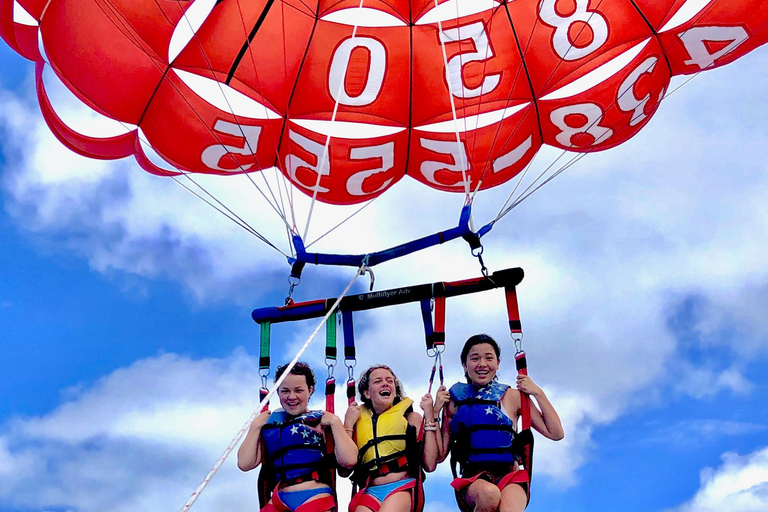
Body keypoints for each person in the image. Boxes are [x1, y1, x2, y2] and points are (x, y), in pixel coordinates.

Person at [434, 334, 564, 512]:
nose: (482, 364)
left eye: (489, 358)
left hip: (510, 476)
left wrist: (537, 393)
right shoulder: (453, 401)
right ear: (464, 365)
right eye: (475, 358)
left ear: (498, 363)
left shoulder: (513, 396)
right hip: (473, 481)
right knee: (489, 494)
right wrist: (434, 412)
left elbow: (556, 433)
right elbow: (440, 455)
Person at [238, 362, 358, 512]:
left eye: (298, 390)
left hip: (314, 497)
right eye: (285, 391)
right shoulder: (269, 423)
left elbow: (349, 461)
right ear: (278, 392)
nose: (291, 397)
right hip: (278, 501)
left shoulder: (322, 420)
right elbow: (244, 464)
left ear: (310, 390)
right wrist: (255, 426)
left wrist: (335, 423)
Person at [343, 364, 441, 512]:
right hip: (370, 491)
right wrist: (348, 423)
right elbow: (343, 471)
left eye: (390, 381)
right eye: (378, 381)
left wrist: (429, 417)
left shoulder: (411, 418)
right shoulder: (357, 422)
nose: (385, 383)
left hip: (401, 486)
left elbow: (430, 465)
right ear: (367, 393)